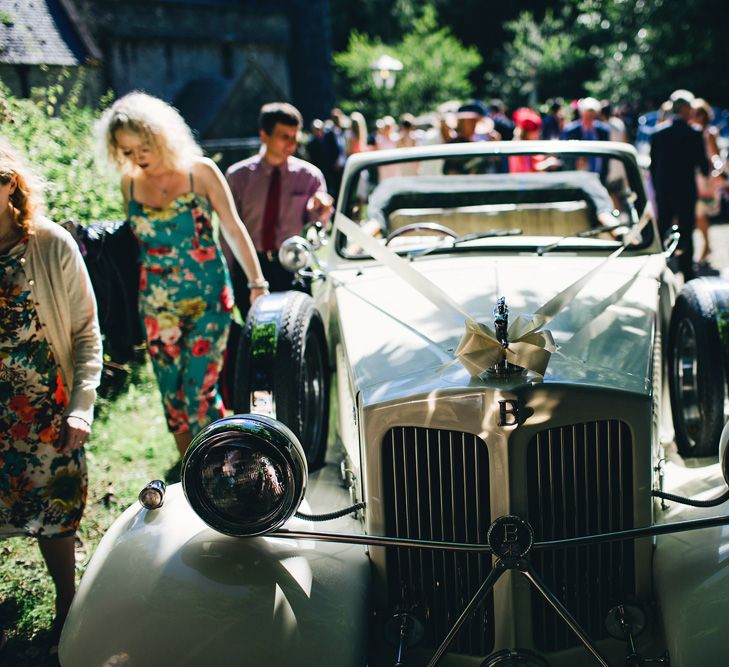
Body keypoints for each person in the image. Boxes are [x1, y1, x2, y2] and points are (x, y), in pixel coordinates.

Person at [95, 91, 268, 458]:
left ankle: (221, 467)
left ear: (161, 137)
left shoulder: (200, 172)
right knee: (172, 396)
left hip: (208, 299)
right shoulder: (128, 185)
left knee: (199, 392)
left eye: (143, 148)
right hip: (157, 305)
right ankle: (191, 472)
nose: (135, 159)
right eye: (125, 152)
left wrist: (256, 284)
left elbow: (234, 229)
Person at [0, 139, 102, 652]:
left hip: (45, 408)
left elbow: (86, 333)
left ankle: (68, 602)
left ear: (11, 183)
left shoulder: (51, 243)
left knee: (56, 513)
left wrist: (82, 405)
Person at [224, 102, 333, 305]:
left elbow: (318, 228)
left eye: (295, 137)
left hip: (291, 264)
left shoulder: (309, 177)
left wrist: (320, 211)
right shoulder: (238, 177)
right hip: (250, 265)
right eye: (284, 137)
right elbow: (228, 228)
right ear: (264, 135)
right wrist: (227, 273)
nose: (291, 144)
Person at [650, 89, 710, 281]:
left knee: (663, 227)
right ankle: (687, 270)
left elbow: (653, 166)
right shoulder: (694, 133)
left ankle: (659, 266)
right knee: (686, 229)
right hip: (685, 189)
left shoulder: (659, 134)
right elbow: (703, 165)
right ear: (685, 109)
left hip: (664, 189)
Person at [691, 97, 724, 264]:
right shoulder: (691, 131)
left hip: (705, 178)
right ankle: (706, 246)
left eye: (697, 113)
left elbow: (715, 155)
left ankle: (706, 247)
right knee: (698, 214)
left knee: (700, 213)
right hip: (695, 176)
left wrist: (719, 171)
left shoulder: (708, 133)